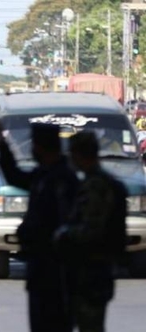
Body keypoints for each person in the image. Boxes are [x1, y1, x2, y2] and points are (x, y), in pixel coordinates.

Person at [0, 121, 78, 332]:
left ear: (41, 147)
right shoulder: (43, 174)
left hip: (56, 269)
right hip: (40, 267)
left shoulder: (62, 178)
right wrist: (2, 145)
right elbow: (15, 176)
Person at [54, 131, 128, 332]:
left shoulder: (96, 185)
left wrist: (63, 234)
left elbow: (91, 230)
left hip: (91, 271)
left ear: (79, 155)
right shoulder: (101, 182)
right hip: (95, 270)